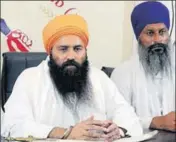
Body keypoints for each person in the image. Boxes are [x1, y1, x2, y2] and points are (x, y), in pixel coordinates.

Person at [1, 14, 143, 141]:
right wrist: (66, 133)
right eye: (63, 49)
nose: (71, 56)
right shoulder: (29, 79)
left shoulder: (99, 78)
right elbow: (12, 125)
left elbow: (126, 114)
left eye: (77, 49)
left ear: (85, 51)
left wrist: (118, 129)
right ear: (50, 52)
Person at [111, 1, 175, 132]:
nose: (157, 39)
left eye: (162, 32)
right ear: (138, 37)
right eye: (150, 33)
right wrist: (154, 122)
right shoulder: (123, 73)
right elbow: (117, 119)